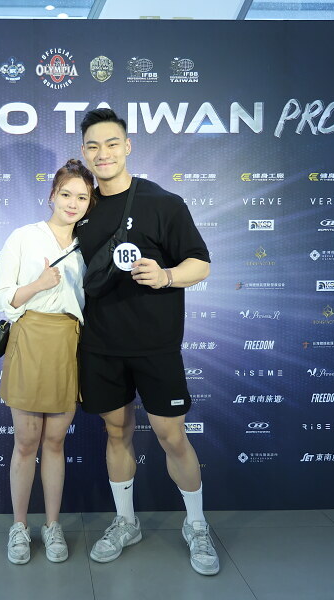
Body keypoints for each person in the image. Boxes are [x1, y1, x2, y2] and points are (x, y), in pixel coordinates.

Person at [75, 108, 218, 575]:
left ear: (128, 146)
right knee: (116, 433)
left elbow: (201, 263)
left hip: (156, 346)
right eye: (93, 146)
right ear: (84, 153)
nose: (103, 153)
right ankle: (126, 522)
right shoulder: (81, 208)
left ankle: (197, 525)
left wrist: (166, 276)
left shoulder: (163, 202)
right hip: (100, 346)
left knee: (171, 436)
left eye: (112, 143)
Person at [0, 158, 96, 565]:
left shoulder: (90, 244)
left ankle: (52, 526)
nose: (72, 203)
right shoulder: (24, 236)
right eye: (66, 194)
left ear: (90, 203)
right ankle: (19, 527)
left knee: (55, 442)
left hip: (69, 342)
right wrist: (37, 284)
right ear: (52, 195)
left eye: (81, 197)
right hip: (29, 337)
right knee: (25, 442)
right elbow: (2, 297)